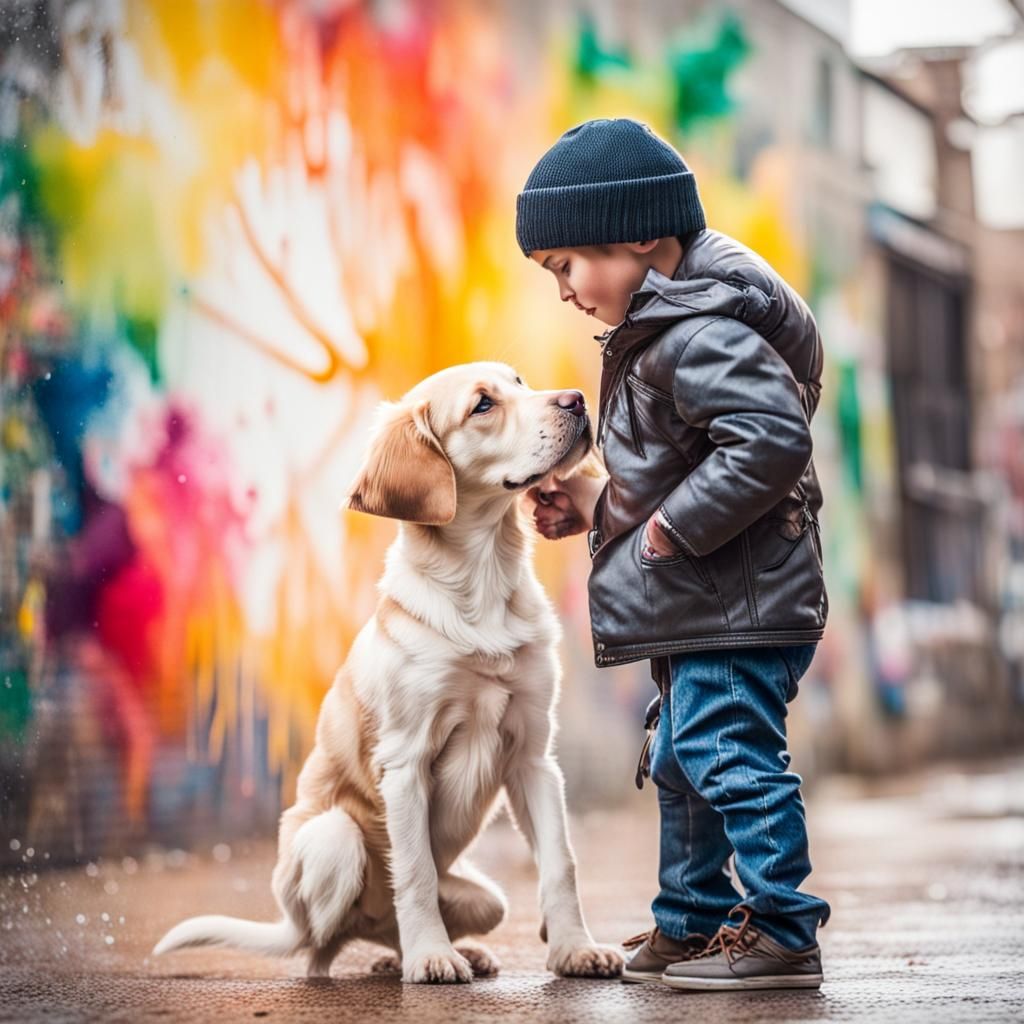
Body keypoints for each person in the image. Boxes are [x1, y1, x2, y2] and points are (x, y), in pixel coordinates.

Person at [517, 118, 831, 992]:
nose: (566, 291)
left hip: (738, 602)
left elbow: (768, 441)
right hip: (711, 599)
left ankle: (782, 931)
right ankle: (689, 922)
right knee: (683, 760)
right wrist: (598, 504)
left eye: (567, 265)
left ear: (641, 237)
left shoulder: (698, 330)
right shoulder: (670, 325)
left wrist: (667, 529)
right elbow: (678, 465)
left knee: (723, 751)